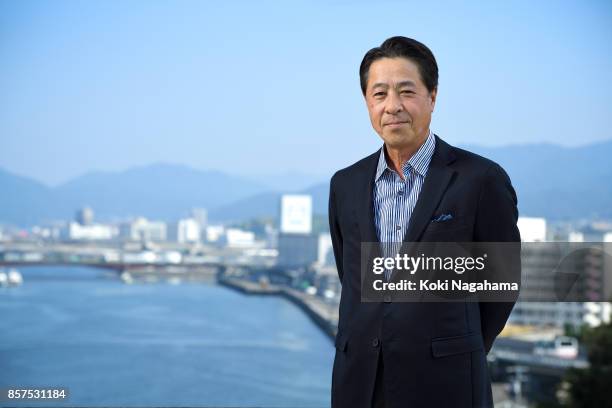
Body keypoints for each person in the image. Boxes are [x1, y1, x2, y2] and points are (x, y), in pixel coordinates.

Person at [328, 36, 521, 408]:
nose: (392, 107)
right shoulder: (345, 184)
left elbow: (502, 285)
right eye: (379, 94)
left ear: (432, 96)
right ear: (367, 102)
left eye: (407, 92)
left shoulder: (479, 179)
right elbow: (350, 278)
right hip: (359, 382)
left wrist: (456, 348)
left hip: (446, 383)